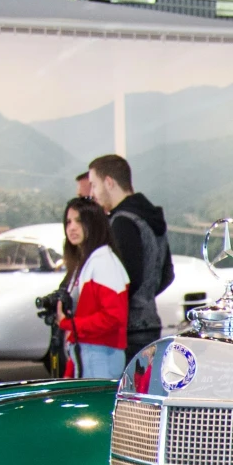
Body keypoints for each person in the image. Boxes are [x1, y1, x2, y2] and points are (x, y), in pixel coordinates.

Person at [85, 153, 172, 360]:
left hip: (128, 330)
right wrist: (146, 295)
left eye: (94, 185)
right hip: (150, 323)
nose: (93, 193)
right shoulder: (151, 217)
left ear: (109, 182)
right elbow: (168, 275)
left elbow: (125, 280)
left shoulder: (122, 222)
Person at [57, 197, 129, 379]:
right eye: (68, 221)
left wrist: (67, 322)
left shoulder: (103, 263)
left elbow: (113, 317)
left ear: (93, 224)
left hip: (101, 356)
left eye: (79, 221)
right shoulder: (88, 263)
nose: (71, 227)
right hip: (88, 354)